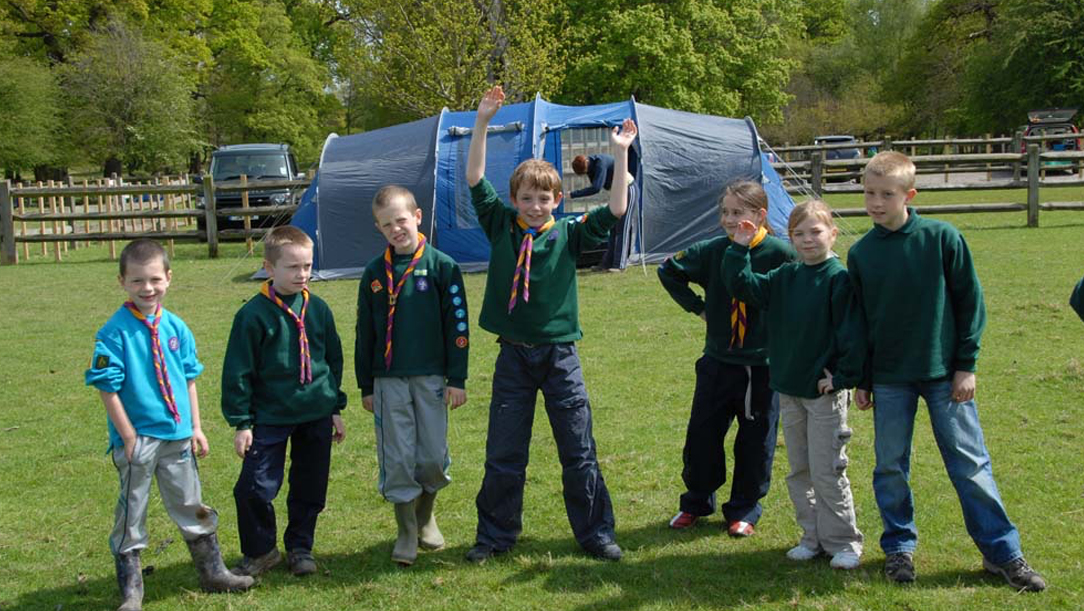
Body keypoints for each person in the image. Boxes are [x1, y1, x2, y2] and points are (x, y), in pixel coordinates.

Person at [849, 151, 1045, 591]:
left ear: (909, 195)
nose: (875, 202)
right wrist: (863, 378)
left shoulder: (942, 238)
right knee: (889, 467)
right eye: (868, 193)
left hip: (944, 376)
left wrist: (966, 366)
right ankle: (899, 549)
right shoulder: (861, 253)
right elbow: (860, 320)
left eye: (886, 194)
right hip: (889, 377)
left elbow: (969, 303)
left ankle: (1002, 554)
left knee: (970, 465)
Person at [463, 85, 637, 563]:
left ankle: (596, 533)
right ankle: (495, 536)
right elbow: (476, 177)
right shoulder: (501, 225)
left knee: (578, 450)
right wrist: (481, 122)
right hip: (513, 355)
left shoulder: (569, 236)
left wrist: (619, 155)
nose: (534, 205)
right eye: (526, 197)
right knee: (504, 453)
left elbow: (617, 208)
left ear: (557, 201)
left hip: (561, 356)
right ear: (515, 199)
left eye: (543, 198)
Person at [85, 239, 253, 611]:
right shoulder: (113, 333)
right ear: (122, 282)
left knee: (190, 502)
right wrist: (128, 436)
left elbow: (188, 377)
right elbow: (106, 388)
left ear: (169, 278)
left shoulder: (177, 326)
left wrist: (196, 426)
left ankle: (213, 573)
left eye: (155, 279)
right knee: (132, 511)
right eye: (138, 281)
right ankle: (132, 591)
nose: (148, 288)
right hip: (139, 441)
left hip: (178, 437)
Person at [722, 200, 864, 569]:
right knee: (799, 469)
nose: (807, 240)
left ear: (832, 234)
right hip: (789, 389)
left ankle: (844, 542)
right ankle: (812, 537)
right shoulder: (786, 276)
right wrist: (739, 246)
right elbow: (742, 285)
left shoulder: (838, 278)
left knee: (828, 469)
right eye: (798, 234)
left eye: (815, 232)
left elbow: (852, 334)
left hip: (823, 394)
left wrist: (843, 376)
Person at [658, 180, 795, 537]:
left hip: (760, 368)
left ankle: (744, 509)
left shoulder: (781, 254)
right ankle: (696, 501)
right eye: (725, 213)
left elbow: (809, 285)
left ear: (761, 216)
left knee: (755, 441)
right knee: (702, 436)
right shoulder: (712, 250)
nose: (730, 220)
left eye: (739, 213)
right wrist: (698, 308)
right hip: (718, 361)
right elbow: (668, 271)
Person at [221, 226, 347, 578]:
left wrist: (334, 407)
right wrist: (242, 422)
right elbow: (238, 371)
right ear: (269, 267)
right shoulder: (252, 316)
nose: (302, 274)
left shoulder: (318, 309)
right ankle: (261, 551)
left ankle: (300, 547)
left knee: (310, 486)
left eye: (307, 266)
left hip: (316, 413)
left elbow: (331, 361)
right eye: (292, 267)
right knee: (254, 488)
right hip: (270, 416)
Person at [355, 185, 469, 566]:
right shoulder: (374, 273)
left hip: (433, 378)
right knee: (398, 456)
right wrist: (365, 385)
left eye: (401, 220)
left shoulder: (442, 266)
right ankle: (405, 529)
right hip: (388, 381)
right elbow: (365, 333)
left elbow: (458, 326)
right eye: (386, 224)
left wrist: (458, 377)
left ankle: (425, 516)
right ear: (378, 228)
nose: (396, 229)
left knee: (432, 455)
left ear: (417, 217)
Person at [568, 153, 635, 271]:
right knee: (613, 227)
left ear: (586, 163)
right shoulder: (591, 166)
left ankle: (620, 265)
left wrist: (573, 194)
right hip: (617, 192)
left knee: (622, 228)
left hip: (628, 189)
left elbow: (596, 188)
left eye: (586, 172)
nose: (587, 174)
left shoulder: (600, 163)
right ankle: (606, 264)